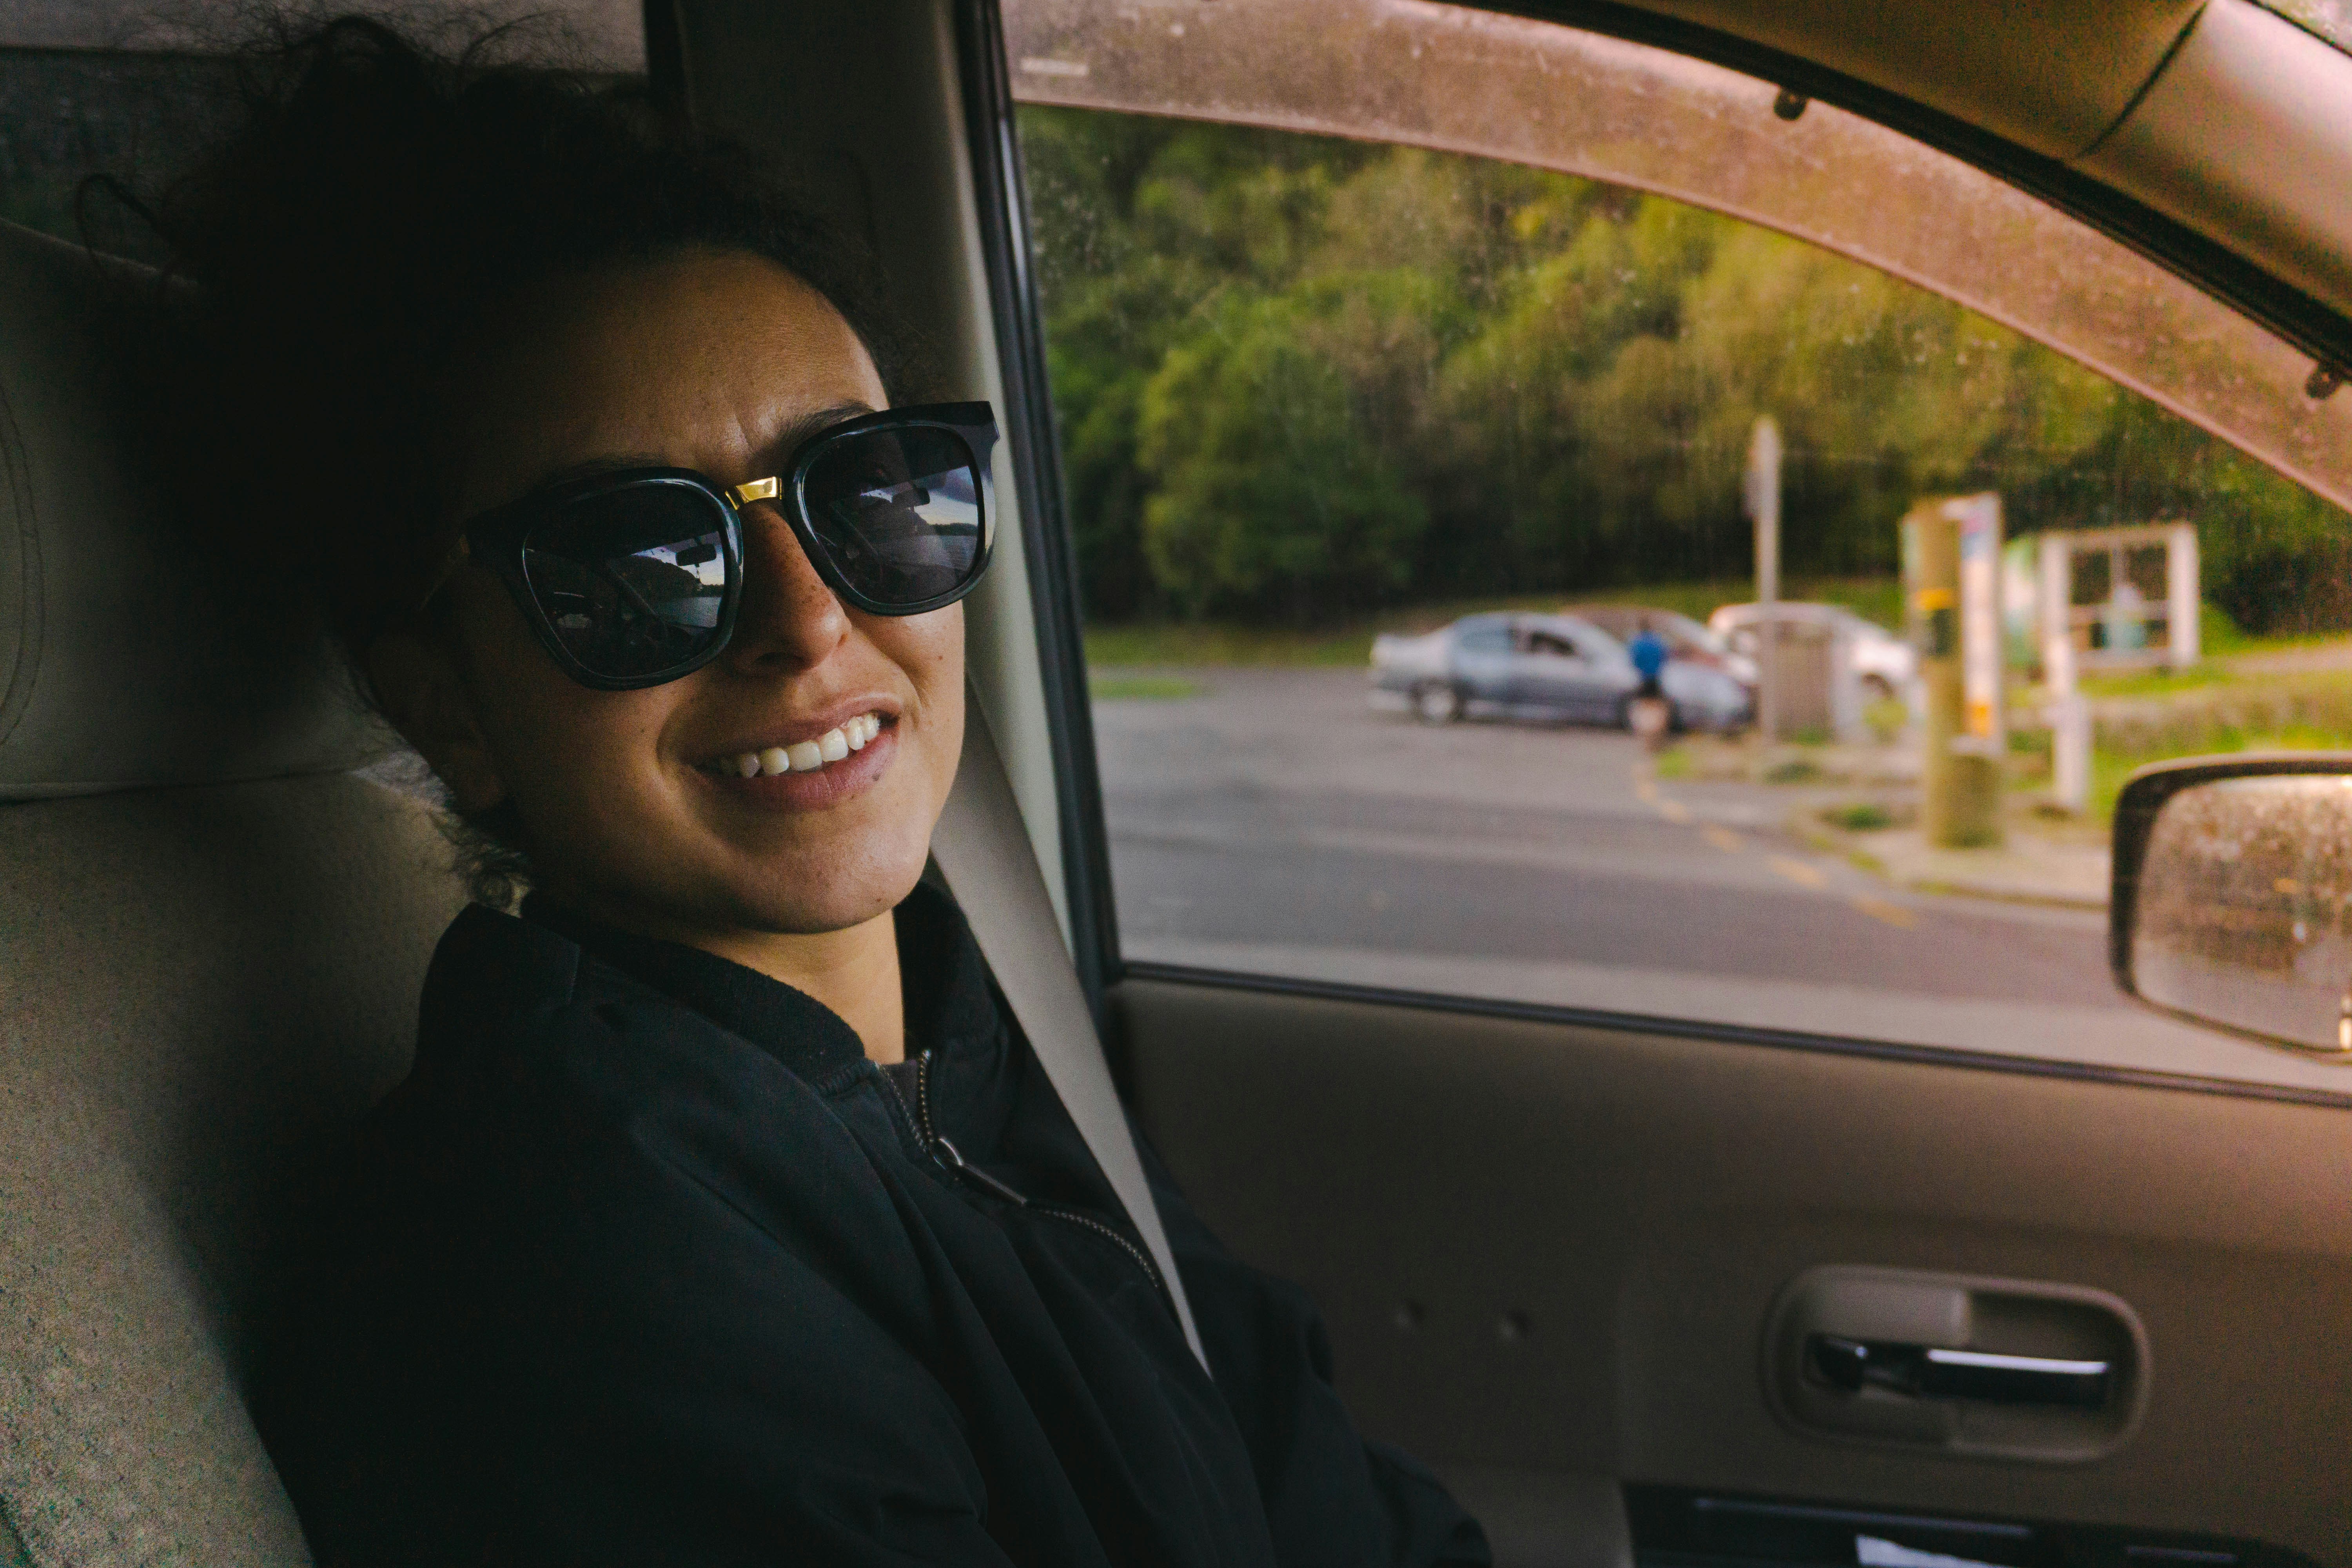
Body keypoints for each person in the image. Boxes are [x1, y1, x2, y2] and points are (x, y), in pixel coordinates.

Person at [145, 19, 1488, 1568]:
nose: (808, 620)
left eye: (869, 490)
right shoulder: (585, 1260)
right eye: (640, 560)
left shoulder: (970, 1038)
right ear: (446, 704)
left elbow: (1325, 1492)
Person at [1627, 618, 1670, 699]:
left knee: (1641, 700)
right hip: (1656, 677)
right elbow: (1665, 656)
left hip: (1643, 678)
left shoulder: (1638, 642)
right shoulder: (1658, 641)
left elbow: (1634, 659)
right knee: (1656, 700)